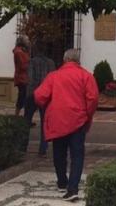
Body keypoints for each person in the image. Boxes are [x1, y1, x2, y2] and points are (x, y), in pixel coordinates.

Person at [34, 48, 98, 202]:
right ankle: (73, 188)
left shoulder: (53, 76)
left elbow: (39, 95)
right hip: (78, 120)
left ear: (64, 60)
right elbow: (93, 98)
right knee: (77, 155)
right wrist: (87, 114)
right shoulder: (86, 76)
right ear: (78, 60)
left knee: (59, 153)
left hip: (58, 119)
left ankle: (62, 182)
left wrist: (48, 106)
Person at [25, 43, 56, 156]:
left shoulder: (32, 62)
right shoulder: (51, 63)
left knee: (27, 120)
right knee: (45, 122)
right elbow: (53, 80)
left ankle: (23, 145)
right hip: (46, 95)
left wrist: (30, 94)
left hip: (33, 94)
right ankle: (43, 148)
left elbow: (30, 79)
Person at [13, 35, 30, 116]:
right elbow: (23, 66)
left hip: (24, 77)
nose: (28, 41)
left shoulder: (22, 51)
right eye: (27, 40)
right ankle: (17, 115)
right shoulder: (19, 52)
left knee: (24, 97)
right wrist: (30, 64)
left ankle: (25, 116)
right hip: (22, 78)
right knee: (22, 97)